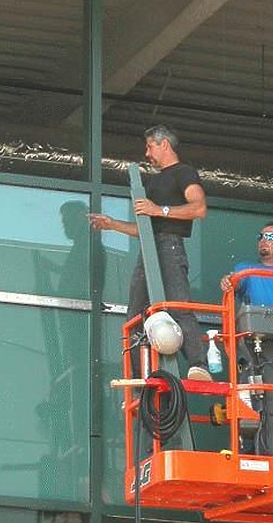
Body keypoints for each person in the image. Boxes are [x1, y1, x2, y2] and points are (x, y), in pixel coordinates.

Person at [89, 125, 211, 381]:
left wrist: (160, 210)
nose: (147, 153)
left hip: (170, 245)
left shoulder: (183, 172)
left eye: (150, 146)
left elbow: (199, 208)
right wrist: (112, 225)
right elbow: (145, 228)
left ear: (164, 144)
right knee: (136, 315)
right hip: (150, 247)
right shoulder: (155, 181)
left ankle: (199, 364)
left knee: (178, 304)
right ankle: (140, 376)